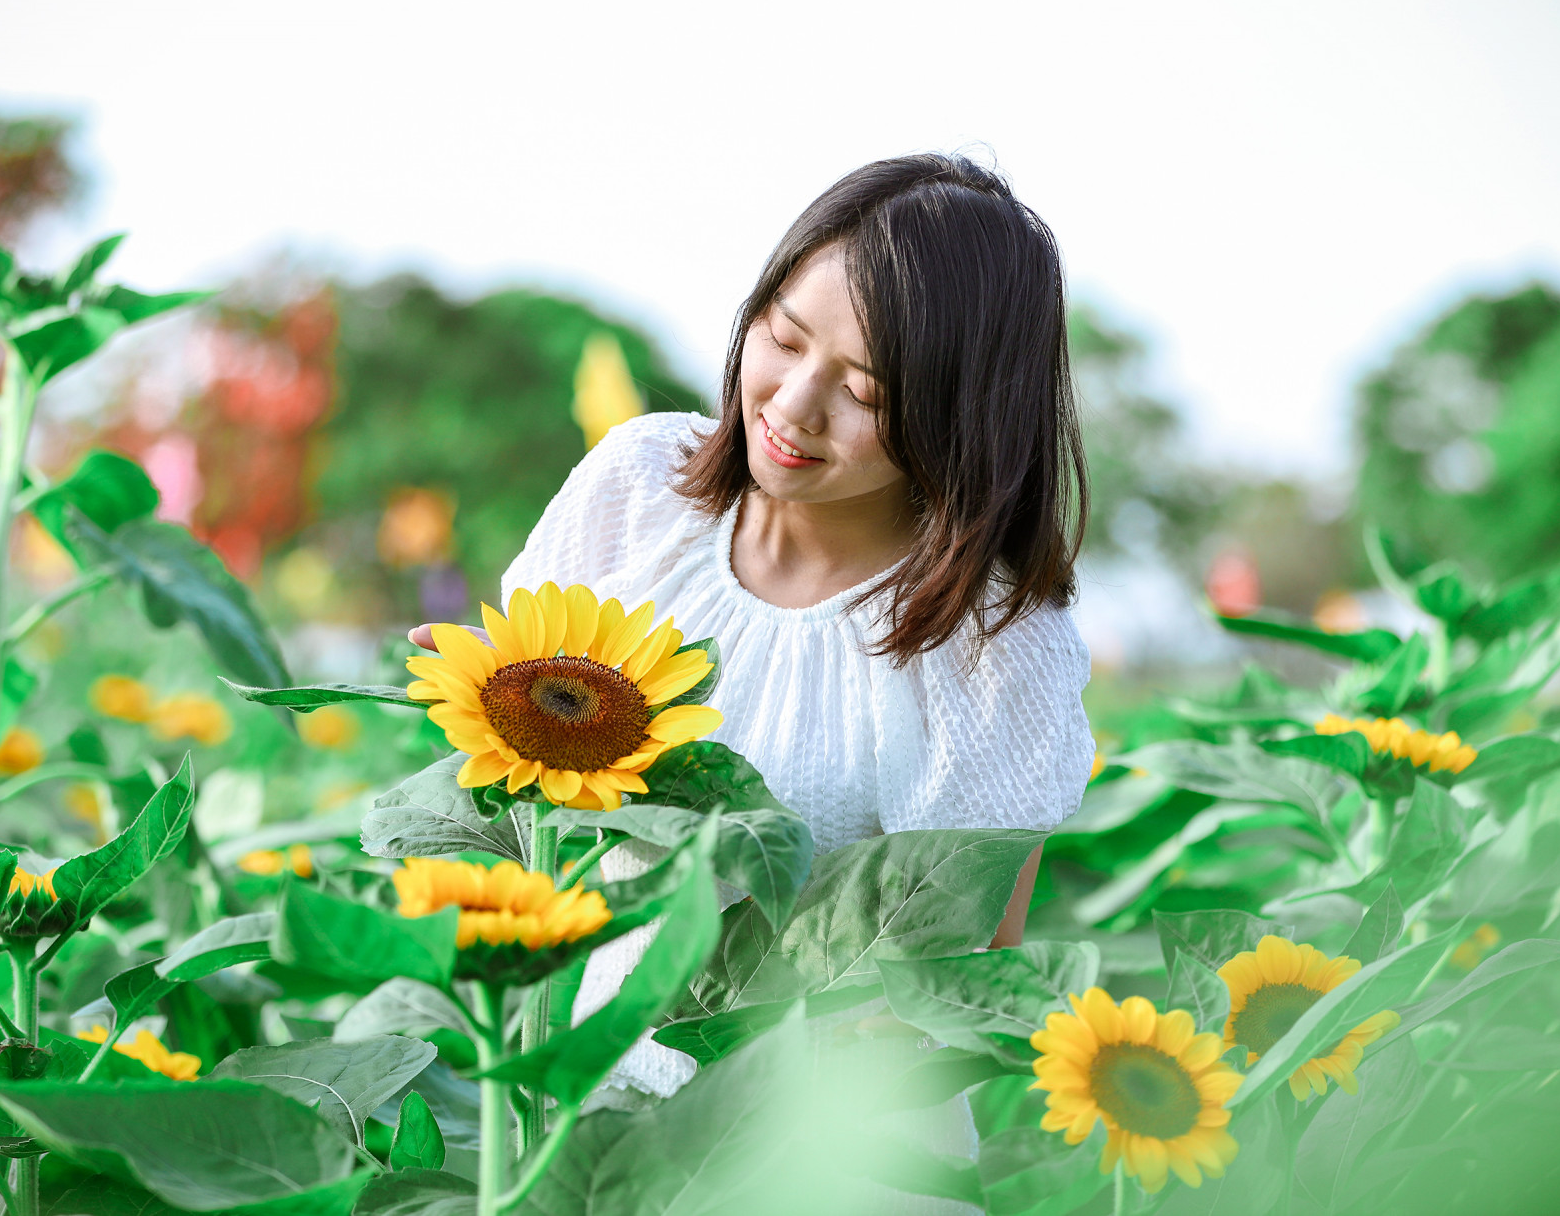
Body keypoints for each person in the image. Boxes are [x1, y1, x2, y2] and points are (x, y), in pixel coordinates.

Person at [410, 153, 1096, 1102]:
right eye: (784, 336)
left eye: (865, 392)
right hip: (581, 1126)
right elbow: (526, 801)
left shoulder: (988, 640)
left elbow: (955, 970)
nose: (792, 403)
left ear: (957, 419)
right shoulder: (639, 489)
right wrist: (492, 709)